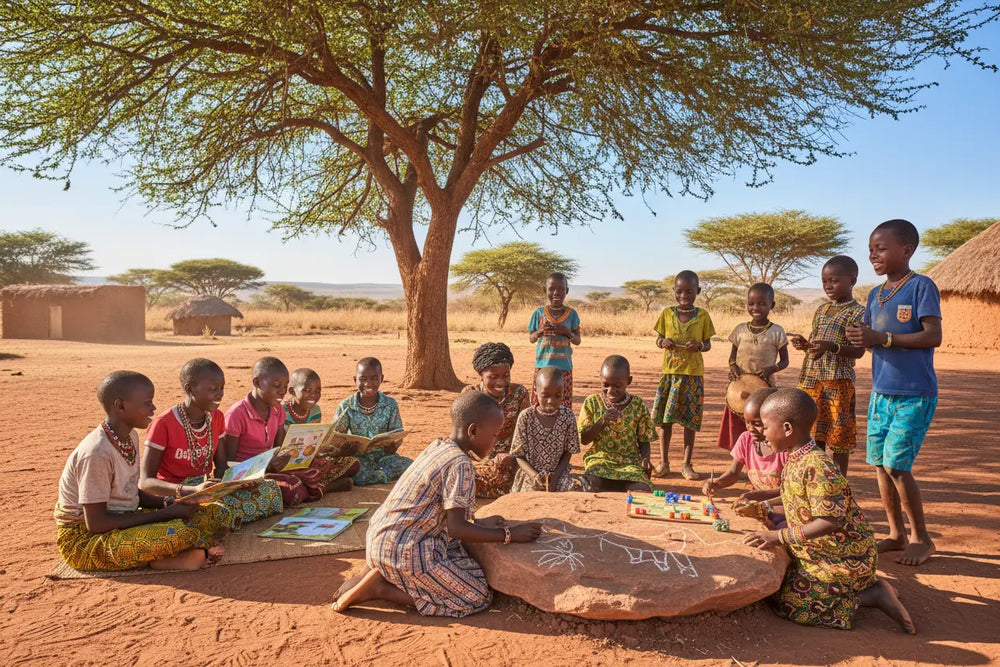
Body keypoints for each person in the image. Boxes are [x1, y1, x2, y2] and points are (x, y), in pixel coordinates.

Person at [331, 391, 543, 616]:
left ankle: (377, 571)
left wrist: (479, 522)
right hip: (404, 548)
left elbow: (445, 511)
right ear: (473, 431)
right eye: (494, 435)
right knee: (477, 595)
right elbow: (457, 528)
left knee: (469, 566)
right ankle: (380, 588)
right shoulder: (460, 464)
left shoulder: (440, 445)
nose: (496, 442)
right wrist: (509, 534)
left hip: (383, 538)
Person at [743, 389, 914, 634]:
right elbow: (797, 494)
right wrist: (764, 501)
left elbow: (829, 521)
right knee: (778, 588)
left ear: (787, 429)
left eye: (767, 427)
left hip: (844, 555)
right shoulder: (796, 456)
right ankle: (859, 589)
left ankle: (872, 595)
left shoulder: (817, 466)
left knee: (794, 605)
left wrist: (778, 537)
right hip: (817, 550)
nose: (763, 434)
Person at [55, 371, 229, 571]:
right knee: (178, 532)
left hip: (123, 519)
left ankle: (167, 556)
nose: (154, 407)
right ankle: (165, 557)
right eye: (147, 403)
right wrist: (166, 514)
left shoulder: (129, 437)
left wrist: (170, 503)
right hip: (86, 540)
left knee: (216, 513)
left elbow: (130, 490)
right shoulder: (96, 453)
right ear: (120, 406)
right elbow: (96, 523)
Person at [847, 219, 942, 567]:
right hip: (881, 392)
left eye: (881, 248)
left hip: (914, 393)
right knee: (879, 466)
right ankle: (895, 534)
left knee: (897, 465)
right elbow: (872, 341)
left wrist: (882, 339)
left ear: (907, 250)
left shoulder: (921, 287)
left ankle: (922, 538)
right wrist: (862, 339)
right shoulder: (875, 294)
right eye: (871, 249)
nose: (874, 255)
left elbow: (933, 336)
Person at [140, 359, 283, 527]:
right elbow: (145, 482)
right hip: (174, 492)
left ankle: (216, 522)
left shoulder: (216, 418)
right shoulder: (163, 423)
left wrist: (240, 482)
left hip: (207, 487)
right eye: (213, 389)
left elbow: (221, 467)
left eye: (222, 387)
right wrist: (191, 490)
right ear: (189, 389)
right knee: (217, 512)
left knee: (270, 489)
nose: (220, 393)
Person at [790, 256, 866, 475]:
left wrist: (833, 347)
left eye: (834, 280)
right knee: (813, 432)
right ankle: (816, 479)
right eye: (824, 281)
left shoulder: (858, 313)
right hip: (812, 380)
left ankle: (839, 484)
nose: (828, 286)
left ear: (852, 280)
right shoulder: (821, 310)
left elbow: (859, 350)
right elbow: (817, 344)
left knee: (838, 436)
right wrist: (805, 345)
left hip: (837, 382)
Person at [651, 270, 715, 480]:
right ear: (674, 291)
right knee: (664, 422)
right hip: (670, 374)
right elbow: (659, 339)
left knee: (690, 422)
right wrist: (663, 342)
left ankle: (687, 465)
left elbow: (708, 344)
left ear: (698, 291)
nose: (684, 295)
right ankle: (664, 462)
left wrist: (699, 345)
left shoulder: (703, 316)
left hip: (692, 375)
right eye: (679, 291)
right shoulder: (667, 314)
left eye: (689, 291)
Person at [717, 283, 789, 451]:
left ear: (772, 305)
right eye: (751, 303)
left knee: (762, 426)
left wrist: (771, 369)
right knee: (738, 427)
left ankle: (761, 463)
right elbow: (732, 358)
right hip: (739, 390)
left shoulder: (777, 332)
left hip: (764, 388)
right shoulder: (740, 330)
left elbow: (785, 361)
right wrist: (733, 367)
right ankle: (740, 462)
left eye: (762, 303)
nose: (755, 307)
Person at [461, 342, 530, 497]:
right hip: (478, 460)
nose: (500, 382)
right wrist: (480, 459)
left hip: (509, 460)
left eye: (506, 376)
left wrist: (511, 455)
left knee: (526, 475)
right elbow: (463, 435)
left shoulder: (519, 394)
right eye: (493, 377)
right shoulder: (470, 395)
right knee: (461, 475)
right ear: (481, 376)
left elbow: (526, 433)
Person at [579, 355, 655, 492]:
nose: (611, 390)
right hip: (600, 460)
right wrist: (601, 421)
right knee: (590, 484)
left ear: (629, 381)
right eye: (605, 385)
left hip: (629, 462)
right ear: (600, 379)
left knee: (642, 489)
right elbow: (584, 439)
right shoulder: (592, 402)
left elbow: (644, 440)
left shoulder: (638, 405)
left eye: (617, 386)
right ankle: (612, 485)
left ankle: (619, 484)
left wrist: (645, 460)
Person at [333, 358, 411, 487]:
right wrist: (345, 449)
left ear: (381, 378)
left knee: (409, 465)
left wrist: (393, 445)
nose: (368, 384)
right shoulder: (346, 406)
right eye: (363, 379)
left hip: (384, 457)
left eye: (374, 378)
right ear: (355, 380)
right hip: (359, 458)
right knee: (355, 468)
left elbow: (397, 432)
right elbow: (335, 438)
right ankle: (380, 476)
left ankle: (373, 476)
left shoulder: (390, 404)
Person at [509, 367, 581, 493]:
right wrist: (534, 476)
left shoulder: (568, 416)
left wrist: (556, 477)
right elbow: (518, 455)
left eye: (557, 395)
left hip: (559, 473)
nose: (551, 401)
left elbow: (568, 452)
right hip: (531, 474)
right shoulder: (526, 417)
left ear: (564, 392)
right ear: (536, 391)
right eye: (545, 395)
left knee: (573, 491)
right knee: (528, 498)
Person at [528, 272, 581, 408]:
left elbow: (577, 340)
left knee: (563, 403)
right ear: (544, 290)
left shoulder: (572, 314)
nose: (556, 293)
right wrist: (540, 331)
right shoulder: (539, 313)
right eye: (552, 289)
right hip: (542, 366)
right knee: (539, 402)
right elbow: (531, 338)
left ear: (566, 291)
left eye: (561, 289)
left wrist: (567, 332)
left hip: (564, 368)